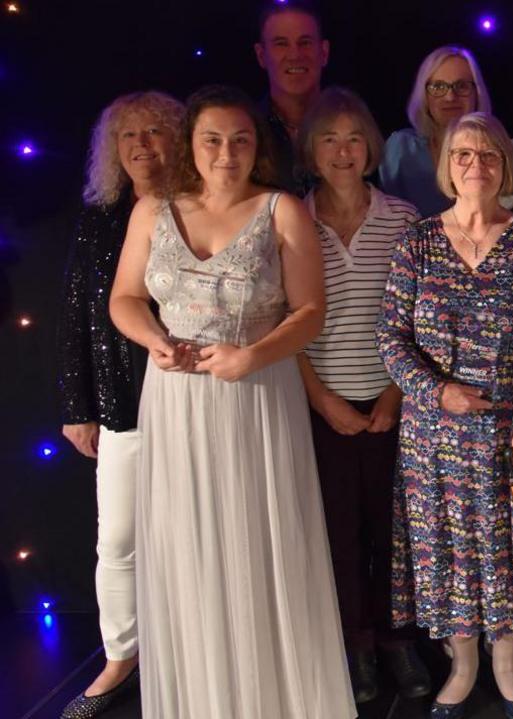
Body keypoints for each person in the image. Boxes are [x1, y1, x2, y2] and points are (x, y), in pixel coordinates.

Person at [108, 85, 353, 718]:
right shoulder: (153, 210)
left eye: (240, 139)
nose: (227, 152)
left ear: (257, 147)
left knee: (257, 545)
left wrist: (253, 355)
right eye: (212, 139)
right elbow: (125, 299)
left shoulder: (280, 211)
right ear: (190, 145)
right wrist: (154, 340)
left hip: (256, 397)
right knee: (188, 550)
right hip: (174, 401)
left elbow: (310, 312)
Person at [378, 112, 513, 719]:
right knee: (446, 550)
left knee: (508, 550)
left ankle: (508, 662)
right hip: (435, 437)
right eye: (463, 155)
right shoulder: (417, 239)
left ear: (504, 167)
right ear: (446, 166)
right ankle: (462, 665)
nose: (476, 166)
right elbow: (392, 337)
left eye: (488, 155)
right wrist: (437, 393)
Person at [294, 87, 430, 704]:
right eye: (329, 138)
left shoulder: (402, 219)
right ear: (312, 150)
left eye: (353, 138)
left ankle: (400, 642)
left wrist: (394, 397)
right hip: (321, 409)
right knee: (339, 537)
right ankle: (357, 647)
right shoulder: (290, 219)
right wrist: (322, 400)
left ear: (371, 147)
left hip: (392, 406)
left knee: (394, 535)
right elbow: (281, 322)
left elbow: (417, 321)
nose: (343, 150)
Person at [55, 90, 182, 719]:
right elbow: (77, 313)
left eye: (156, 131)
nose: (142, 145)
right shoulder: (99, 218)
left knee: (192, 537)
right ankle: (120, 659)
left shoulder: (194, 209)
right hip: (121, 403)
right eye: (128, 135)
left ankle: (186, 652)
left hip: (192, 401)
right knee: (119, 542)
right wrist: (78, 405)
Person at [380, 45, 492, 217]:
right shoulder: (401, 149)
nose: (450, 97)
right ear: (424, 95)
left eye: (461, 86)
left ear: (476, 93)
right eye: (438, 87)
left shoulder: (496, 150)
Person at [254, 0, 328, 193]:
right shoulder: (247, 131)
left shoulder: (358, 126)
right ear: (261, 55)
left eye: (305, 42)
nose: (295, 55)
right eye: (281, 44)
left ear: (324, 52)